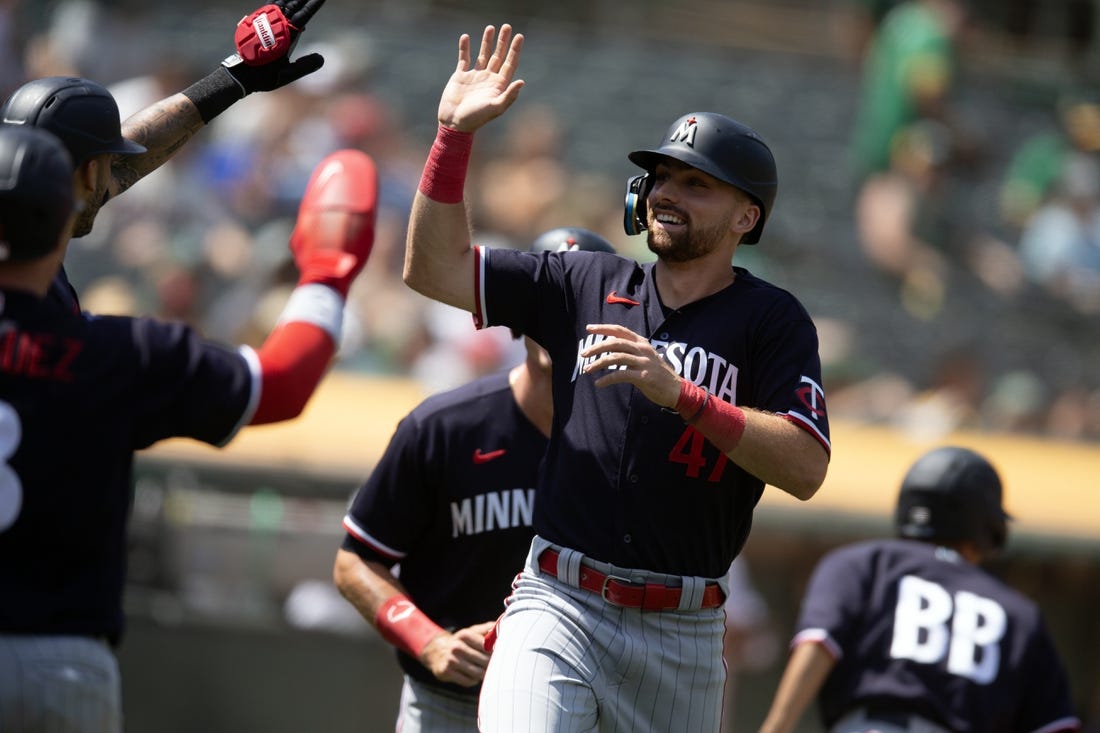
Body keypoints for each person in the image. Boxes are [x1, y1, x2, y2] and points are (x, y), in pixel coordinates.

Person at [401, 24, 831, 732]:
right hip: (559, 598)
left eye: (697, 183)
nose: (669, 191)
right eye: (662, 175)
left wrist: (685, 395)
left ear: (746, 216)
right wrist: (452, 138)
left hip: (681, 628)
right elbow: (433, 270)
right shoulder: (583, 280)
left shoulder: (771, 320)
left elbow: (807, 466)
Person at [0, 125, 378, 733]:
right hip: (60, 663)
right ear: (67, 216)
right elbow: (281, 384)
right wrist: (327, 275)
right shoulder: (122, 352)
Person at [336, 226, 616, 732]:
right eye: (547, 303)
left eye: (583, 307)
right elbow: (356, 560)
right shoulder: (444, 428)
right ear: (512, 317)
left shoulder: (634, 443)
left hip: (579, 711)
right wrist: (428, 640)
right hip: (451, 705)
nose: (563, 323)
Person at [0, 0, 328, 314]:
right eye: (101, 168)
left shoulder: (27, 213)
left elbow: (126, 159)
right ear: (87, 174)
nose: (112, 174)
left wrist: (236, 79)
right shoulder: (83, 341)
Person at [758, 446, 1081, 733]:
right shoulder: (1019, 612)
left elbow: (817, 647)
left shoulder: (859, 563)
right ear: (986, 530)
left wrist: (776, 728)